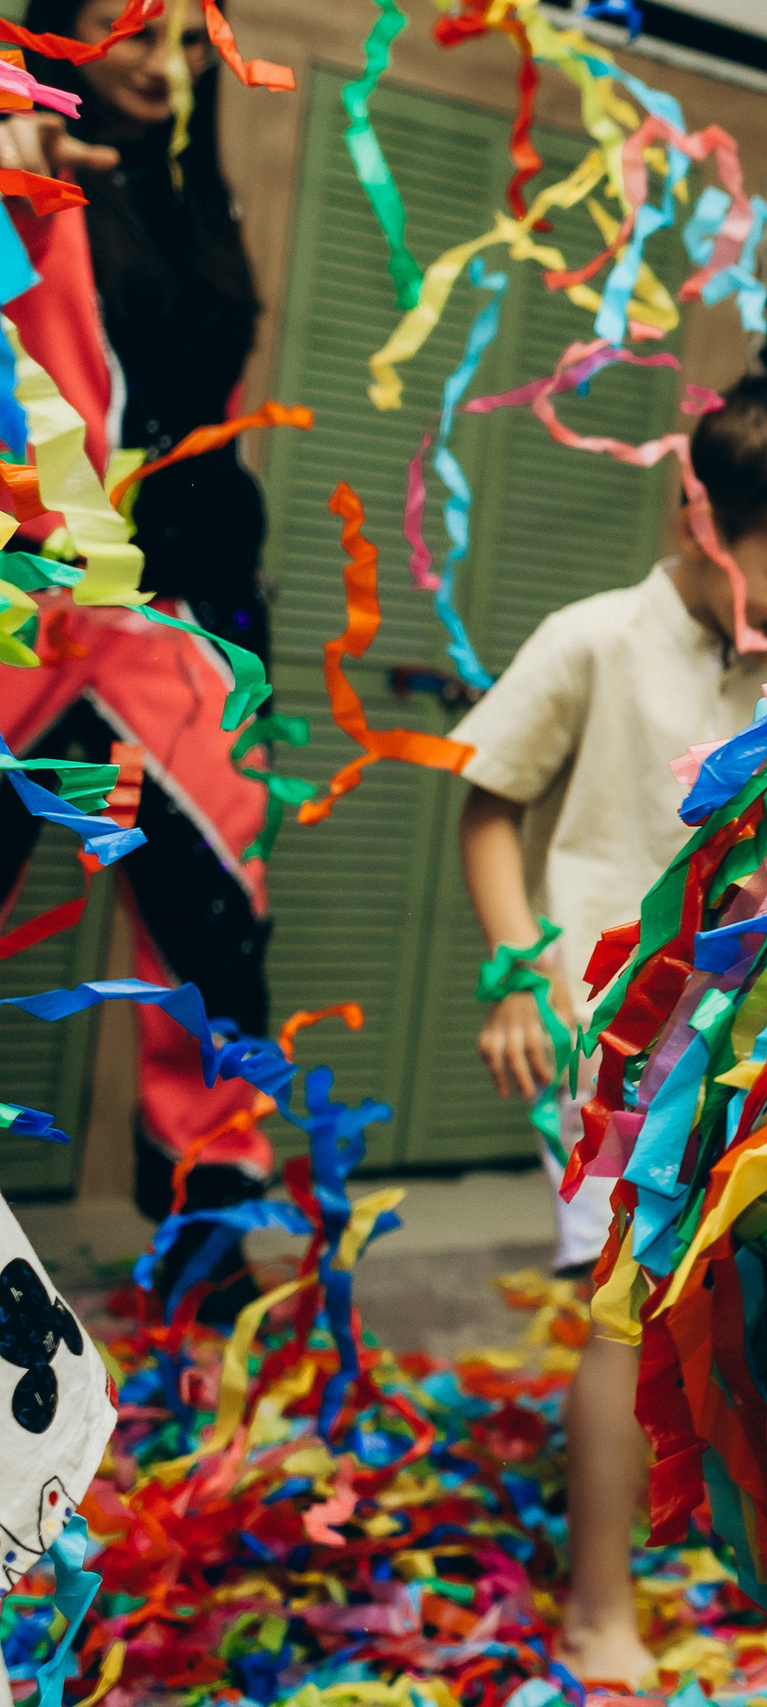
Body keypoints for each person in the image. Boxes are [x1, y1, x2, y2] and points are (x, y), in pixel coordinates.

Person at [452, 367, 767, 1687]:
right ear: (698, 521)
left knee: (753, 1303)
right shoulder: (593, 637)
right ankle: (600, 1603)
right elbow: (491, 799)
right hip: (604, 1042)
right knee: (615, 1299)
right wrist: (518, 968)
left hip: (760, 1052)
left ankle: (754, 1563)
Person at [0, 0, 280, 1317]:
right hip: (35, 608)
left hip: (195, 623)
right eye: (127, 30)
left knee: (209, 947)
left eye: (180, 37)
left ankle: (204, 1260)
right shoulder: (22, 156)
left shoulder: (193, 193)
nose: (162, 64)